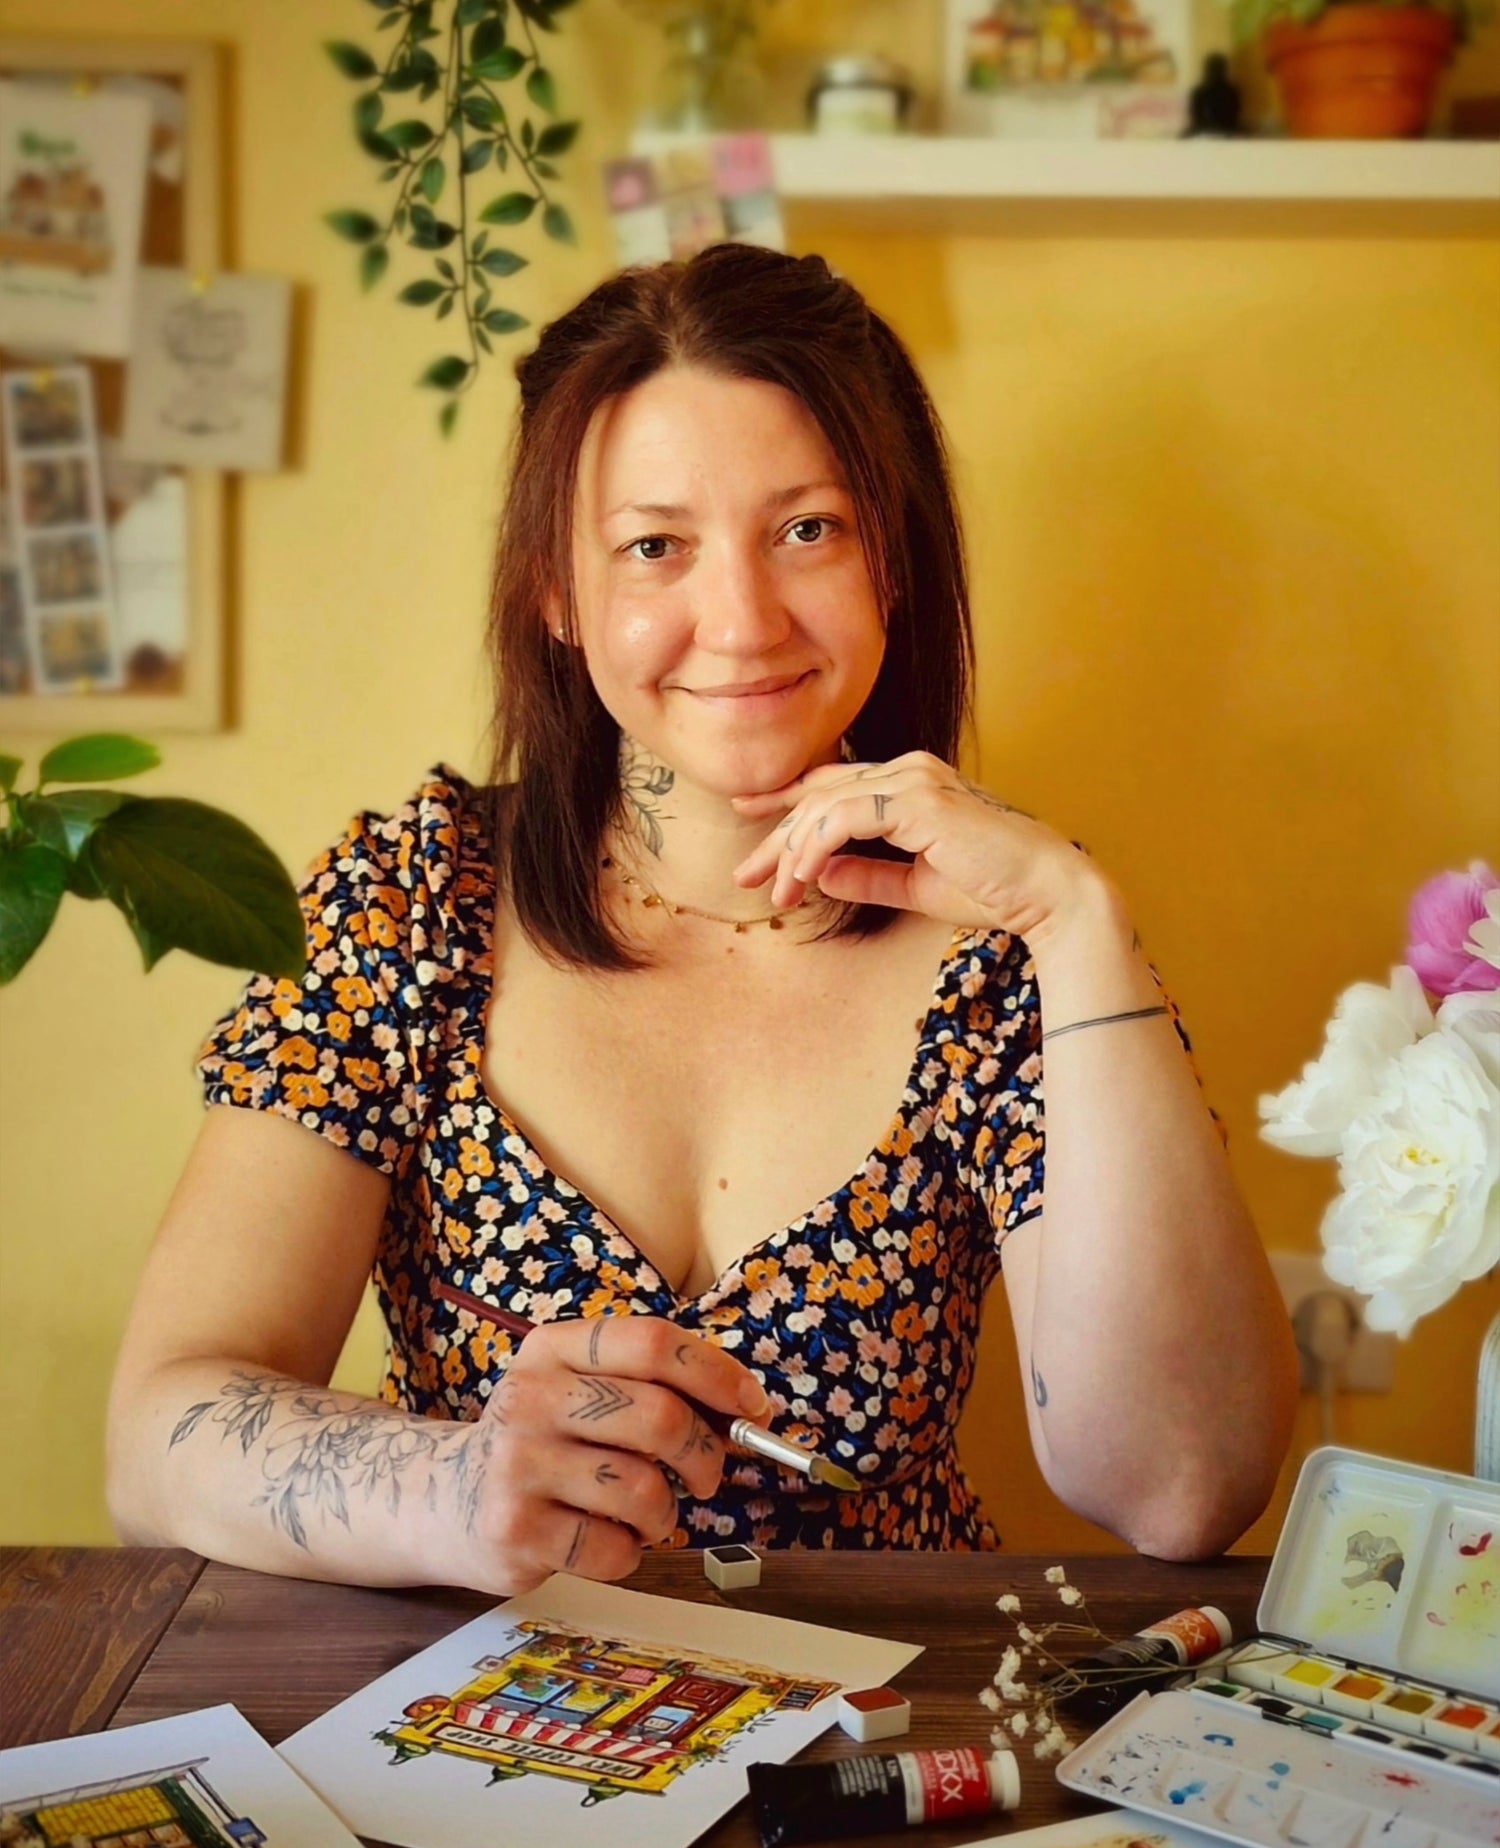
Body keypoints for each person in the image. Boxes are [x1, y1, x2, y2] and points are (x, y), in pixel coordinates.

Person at [107, 244, 1298, 1596]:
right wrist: (449, 1485)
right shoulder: (407, 904)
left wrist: (1081, 924)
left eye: (808, 529)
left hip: (886, 1729)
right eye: (654, 545)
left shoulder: (1010, 940)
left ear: (892, 560)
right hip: (476, 1714)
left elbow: (1185, 1488)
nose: (738, 621)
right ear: (558, 590)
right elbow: (157, 1437)